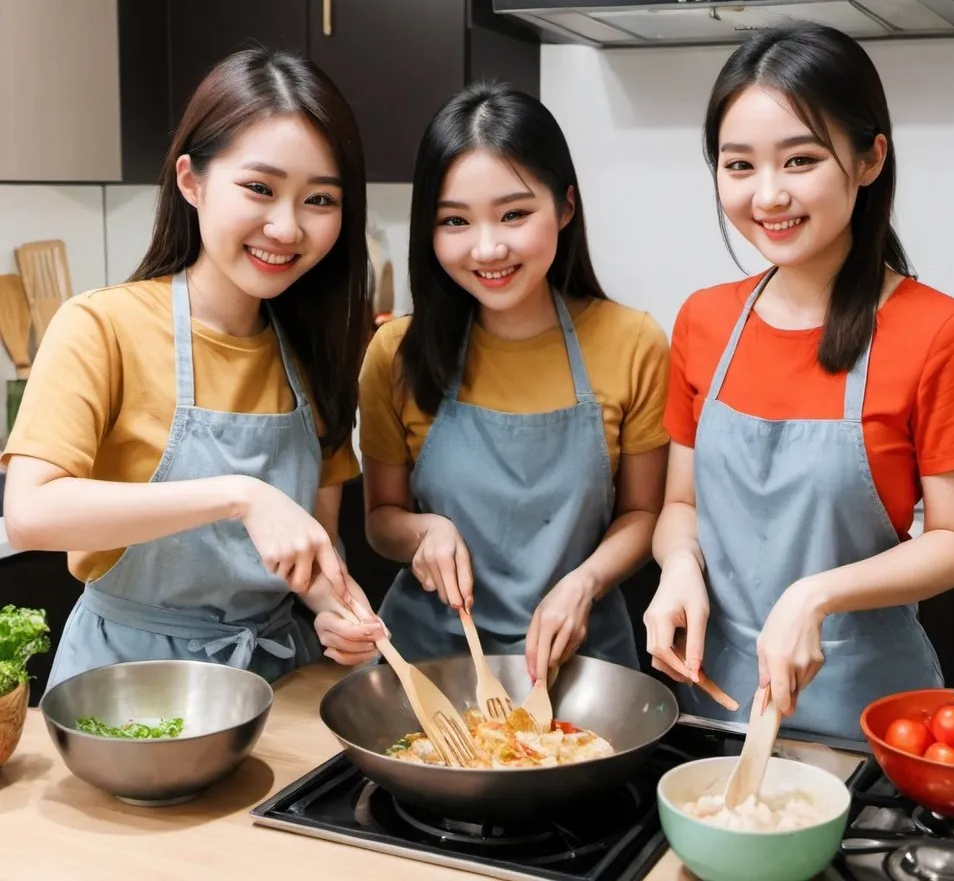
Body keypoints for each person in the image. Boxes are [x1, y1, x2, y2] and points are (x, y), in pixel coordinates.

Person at [644, 22, 954, 740]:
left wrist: (815, 596)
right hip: (711, 698)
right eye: (739, 165)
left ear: (870, 158)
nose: (769, 194)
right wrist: (678, 566)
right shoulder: (704, 321)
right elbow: (680, 505)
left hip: (869, 716)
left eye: (801, 160)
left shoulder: (944, 332)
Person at [3, 48, 384, 689]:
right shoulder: (102, 326)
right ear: (192, 181)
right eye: (259, 188)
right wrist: (241, 497)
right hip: (124, 689)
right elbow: (31, 513)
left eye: (319, 199)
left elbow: (312, 545)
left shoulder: (316, 350)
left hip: (274, 684)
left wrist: (334, 609)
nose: (286, 227)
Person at [358, 82, 670, 684]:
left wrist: (585, 582)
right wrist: (426, 531)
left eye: (514, 213)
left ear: (566, 207)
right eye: (455, 220)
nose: (488, 247)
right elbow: (381, 518)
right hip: (430, 665)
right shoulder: (396, 352)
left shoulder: (634, 342)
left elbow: (642, 514)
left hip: (582, 666)